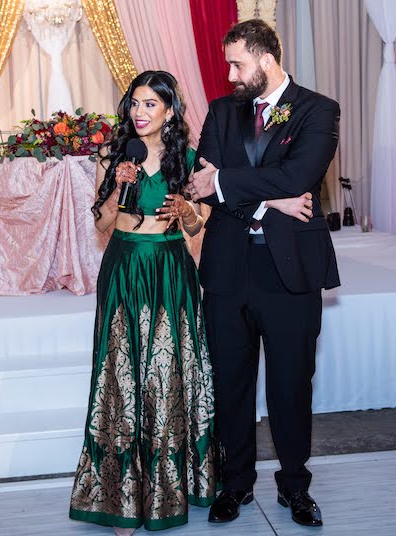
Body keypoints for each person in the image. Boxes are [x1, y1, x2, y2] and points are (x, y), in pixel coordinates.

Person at [189, 19, 340, 527]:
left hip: (289, 271)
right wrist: (271, 197)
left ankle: (295, 487)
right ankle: (236, 486)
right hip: (229, 269)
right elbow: (200, 185)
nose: (230, 74)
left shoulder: (318, 109)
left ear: (267, 58)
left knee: (291, 385)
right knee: (231, 381)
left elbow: (300, 176)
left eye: (238, 63)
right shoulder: (220, 111)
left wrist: (230, 183)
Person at [69, 71, 216, 534]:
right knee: (122, 373)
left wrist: (188, 212)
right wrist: (118, 186)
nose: (139, 112)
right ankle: (122, 496)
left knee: (167, 373)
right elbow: (102, 224)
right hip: (124, 269)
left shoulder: (188, 162)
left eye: (151, 104)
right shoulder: (114, 159)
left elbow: (196, 230)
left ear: (170, 111)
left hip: (170, 270)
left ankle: (169, 487)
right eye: (135, 103)